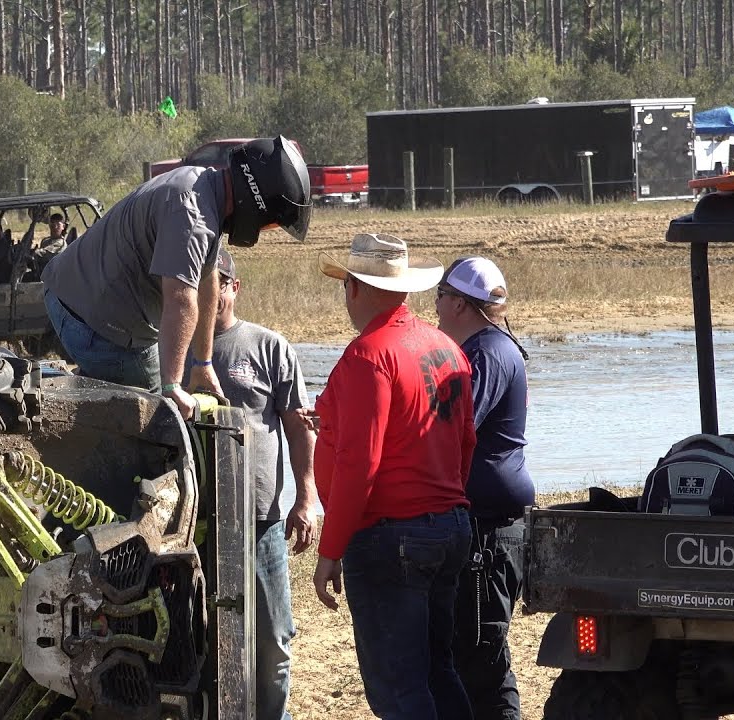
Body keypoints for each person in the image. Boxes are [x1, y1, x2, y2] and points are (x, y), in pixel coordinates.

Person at [311, 232, 476, 720]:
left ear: (356, 289)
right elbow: (466, 442)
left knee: (400, 691)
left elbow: (359, 464)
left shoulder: (369, 356)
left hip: (392, 536)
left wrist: (330, 549)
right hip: (447, 526)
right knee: (436, 670)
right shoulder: (446, 347)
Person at [42, 136, 311, 419]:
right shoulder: (193, 215)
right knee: (156, 419)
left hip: (72, 297)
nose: (263, 229)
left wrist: (203, 363)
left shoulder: (205, 189)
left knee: (152, 382)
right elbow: (181, 299)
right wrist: (171, 386)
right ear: (256, 201)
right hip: (89, 321)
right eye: (268, 223)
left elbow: (206, 281)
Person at [192, 247, 317, 720]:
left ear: (233, 287)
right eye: (200, 282)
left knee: (273, 643)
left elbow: (299, 426)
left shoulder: (268, 346)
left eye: (217, 282)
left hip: (261, 519)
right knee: (203, 637)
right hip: (195, 523)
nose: (209, 291)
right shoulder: (175, 348)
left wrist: (306, 496)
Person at [435, 256, 533, 720]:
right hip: (487, 526)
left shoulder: (486, 354)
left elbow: (456, 428)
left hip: (489, 534)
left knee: (481, 658)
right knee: (469, 651)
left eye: (440, 297)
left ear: (459, 303)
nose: (434, 308)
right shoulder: (490, 347)